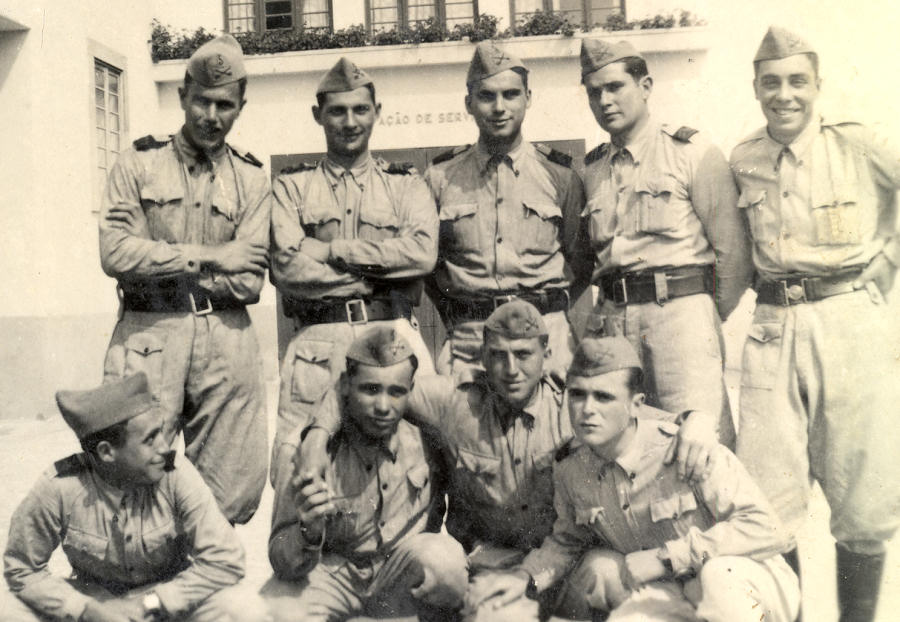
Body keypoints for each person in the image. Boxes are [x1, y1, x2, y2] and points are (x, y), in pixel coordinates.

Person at [297, 302, 717, 620]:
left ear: (547, 355)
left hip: (564, 562)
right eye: (498, 354)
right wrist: (317, 437)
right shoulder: (454, 403)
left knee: (611, 575)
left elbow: (650, 419)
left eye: (523, 354)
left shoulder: (573, 409)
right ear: (482, 356)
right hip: (493, 566)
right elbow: (358, 386)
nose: (511, 368)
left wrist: (696, 421)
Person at [730, 25, 900, 622]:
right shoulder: (743, 159)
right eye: (772, 83)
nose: (785, 95)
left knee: (861, 494)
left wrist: (891, 256)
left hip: (847, 321)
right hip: (772, 326)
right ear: (755, 88)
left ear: (818, 85)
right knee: (768, 500)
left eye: (797, 81)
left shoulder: (856, 143)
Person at [474, 337, 800, 622]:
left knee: (719, 577)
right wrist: (525, 577)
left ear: (636, 405)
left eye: (603, 397)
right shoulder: (572, 468)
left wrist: (667, 557)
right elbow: (567, 540)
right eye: (578, 395)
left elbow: (767, 528)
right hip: (673, 589)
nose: (587, 410)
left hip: (748, 581)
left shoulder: (684, 449)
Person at [98, 34, 269, 525]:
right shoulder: (138, 163)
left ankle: (205, 569)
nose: (211, 116)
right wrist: (212, 257)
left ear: (240, 108)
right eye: (201, 101)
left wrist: (156, 263)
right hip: (149, 334)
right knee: (127, 473)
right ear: (181, 96)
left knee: (230, 491)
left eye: (224, 105)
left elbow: (249, 281)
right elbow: (115, 253)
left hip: (226, 339)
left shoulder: (252, 179)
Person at [579, 38, 754, 450]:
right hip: (614, 321)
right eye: (594, 92)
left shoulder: (691, 152)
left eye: (615, 87)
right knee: (625, 447)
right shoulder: (592, 169)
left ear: (645, 87)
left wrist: (698, 314)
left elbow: (734, 256)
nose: (604, 101)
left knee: (697, 445)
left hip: (680, 322)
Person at [269, 57, 438, 475]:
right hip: (318, 346)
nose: (350, 122)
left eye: (360, 109)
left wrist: (331, 250)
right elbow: (287, 269)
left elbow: (421, 254)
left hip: (393, 338)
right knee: (300, 467)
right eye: (338, 111)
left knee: (412, 465)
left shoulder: (406, 184)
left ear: (377, 112)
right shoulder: (291, 187)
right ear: (318, 115)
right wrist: (379, 277)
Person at [3, 373, 268, 622]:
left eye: (161, 432)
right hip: (95, 602)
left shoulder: (175, 474)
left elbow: (226, 559)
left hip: (165, 603)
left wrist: (152, 602)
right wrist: (85, 609)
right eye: (150, 439)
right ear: (107, 452)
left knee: (242, 607)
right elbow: (22, 569)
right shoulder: (60, 487)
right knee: (7, 608)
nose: (164, 447)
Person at [266, 327, 467, 621]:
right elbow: (280, 557)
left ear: (411, 390)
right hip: (334, 575)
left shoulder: (427, 434)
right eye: (370, 390)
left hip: (399, 575)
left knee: (446, 563)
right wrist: (308, 531)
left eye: (396, 392)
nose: (383, 406)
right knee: (277, 608)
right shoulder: (304, 451)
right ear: (345, 386)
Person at [424, 40, 591, 378]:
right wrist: (460, 314)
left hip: (547, 338)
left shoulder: (560, 176)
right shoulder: (440, 177)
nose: (499, 107)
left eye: (511, 94)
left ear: (528, 98)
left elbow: (581, 261)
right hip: (471, 341)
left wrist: (549, 310)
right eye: (487, 96)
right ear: (469, 103)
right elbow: (428, 266)